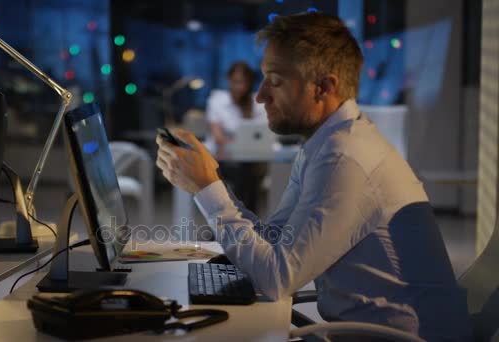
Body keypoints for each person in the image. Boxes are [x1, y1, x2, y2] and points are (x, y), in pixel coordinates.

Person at [156, 12, 472, 341]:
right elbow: (273, 241)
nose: (261, 95)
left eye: (275, 81)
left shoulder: (345, 159)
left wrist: (207, 188)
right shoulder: (324, 145)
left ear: (323, 87)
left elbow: (276, 278)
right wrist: (213, 178)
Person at [205, 61, 268, 211]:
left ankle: (240, 223)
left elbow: (264, 134)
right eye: (235, 82)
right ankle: (242, 222)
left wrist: (235, 142)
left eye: (243, 82)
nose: (239, 87)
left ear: (250, 83)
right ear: (228, 80)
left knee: (248, 174)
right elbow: (218, 138)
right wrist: (243, 142)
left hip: (250, 161)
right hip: (222, 160)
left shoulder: (257, 103)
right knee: (244, 177)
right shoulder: (218, 100)